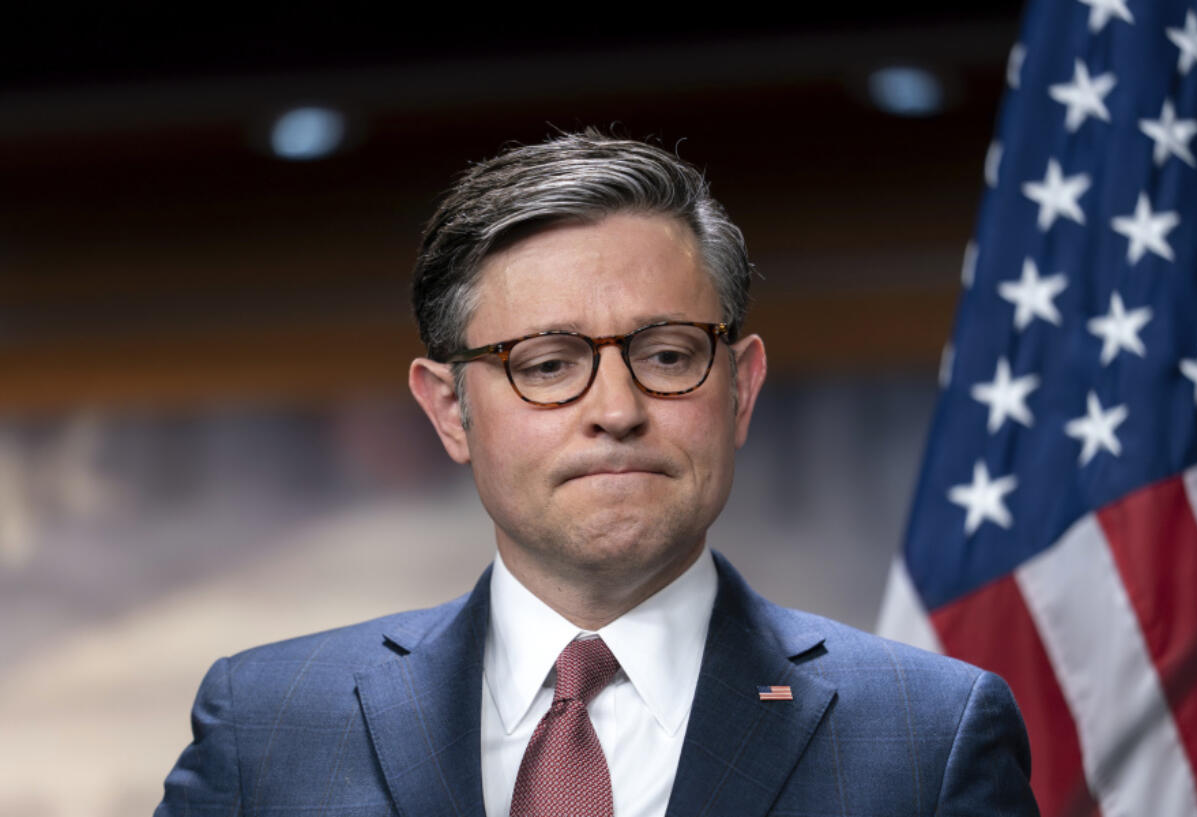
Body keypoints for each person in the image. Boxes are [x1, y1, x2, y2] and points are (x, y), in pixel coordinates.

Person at [156, 131, 1038, 816]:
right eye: (545, 363)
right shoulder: (268, 726)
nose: (616, 407)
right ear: (449, 410)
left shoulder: (929, 738)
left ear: (741, 389)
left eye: (666, 353)